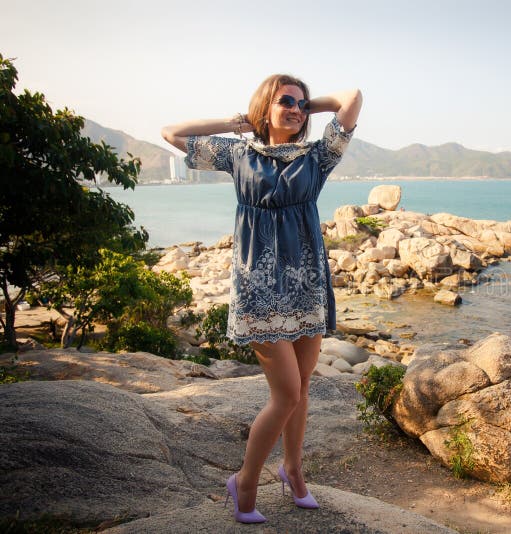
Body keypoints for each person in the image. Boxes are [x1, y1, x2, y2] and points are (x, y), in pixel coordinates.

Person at [162, 75, 362, 523]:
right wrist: (239, 122)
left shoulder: (318, 156)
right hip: (259, 290)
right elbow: (172, 134)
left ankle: (292, 470)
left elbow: (351, 99)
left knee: (303, 387)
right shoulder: (238, 154)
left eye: (301, 104)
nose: (295, 109)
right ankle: (245, 481)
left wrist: (312, 105)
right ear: (264, 108)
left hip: (307, 286)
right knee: (287, 394)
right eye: (285, 101)